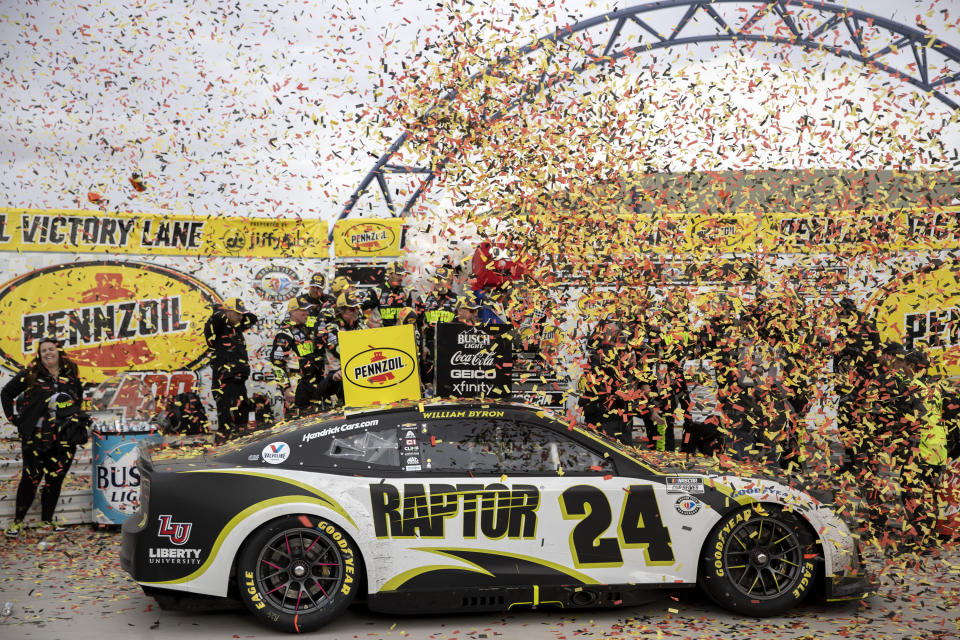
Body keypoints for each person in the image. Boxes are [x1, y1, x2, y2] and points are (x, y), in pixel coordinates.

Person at [2, 337, 84, 536]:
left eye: (51, 349)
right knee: (31, 479)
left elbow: (77, 399)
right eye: (43, 350)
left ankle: (46, 521)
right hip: (36, 439)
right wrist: (16, 419)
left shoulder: (70, 374)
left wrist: (73, 420)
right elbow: (6, 393)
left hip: (64, 438)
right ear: (39, 355)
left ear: (59, 352)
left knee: (54, 479)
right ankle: (17, 523)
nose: (48, 353)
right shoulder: (31, 374)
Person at [204, 298, 257, 443]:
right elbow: (215, 319)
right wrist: (222, 311)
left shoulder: (237, 328)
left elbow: (253, 318)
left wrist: (237, 314)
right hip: (224, 382)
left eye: (241, 314)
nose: (241, 317)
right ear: (226, 312)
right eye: (237, 313)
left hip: (239, 381)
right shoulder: (216, 326)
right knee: (227, 422)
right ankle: (223, 452)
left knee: (242, 419)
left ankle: (241, 452)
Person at [271, 298, 325, 418]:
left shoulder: (309, 329)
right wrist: (286, 387)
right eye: (303, 310)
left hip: (313, 383)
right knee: (297, 422)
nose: (307, 313)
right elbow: (277, 363)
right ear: (293, 311)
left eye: (308, 310)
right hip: (296, 387)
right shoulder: (284, 334)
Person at [317, 291, 366, 405]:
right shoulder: (331, 328)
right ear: (341, 310)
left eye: (357, 307)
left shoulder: (360, 325)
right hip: (336, 377)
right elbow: (340, 351)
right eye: (352, 309)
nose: (356, 311)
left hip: (359, 373)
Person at [418, 265, 457, 381]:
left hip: (452, 349)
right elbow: (417, 326)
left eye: (443, 279)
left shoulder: (458, 300)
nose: (439, 282)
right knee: (429, 384)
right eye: (437, 278)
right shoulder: (423, 299)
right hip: (429, 348)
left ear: (450, 280)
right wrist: (422, 346)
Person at [377, 262, 413, 327]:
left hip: (401, 331)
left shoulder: (406, 291)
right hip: (383, 332)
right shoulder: (377, 291)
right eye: (398, 274)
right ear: (389, 275)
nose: (401, 278)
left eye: (402, 275)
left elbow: (409, 313)